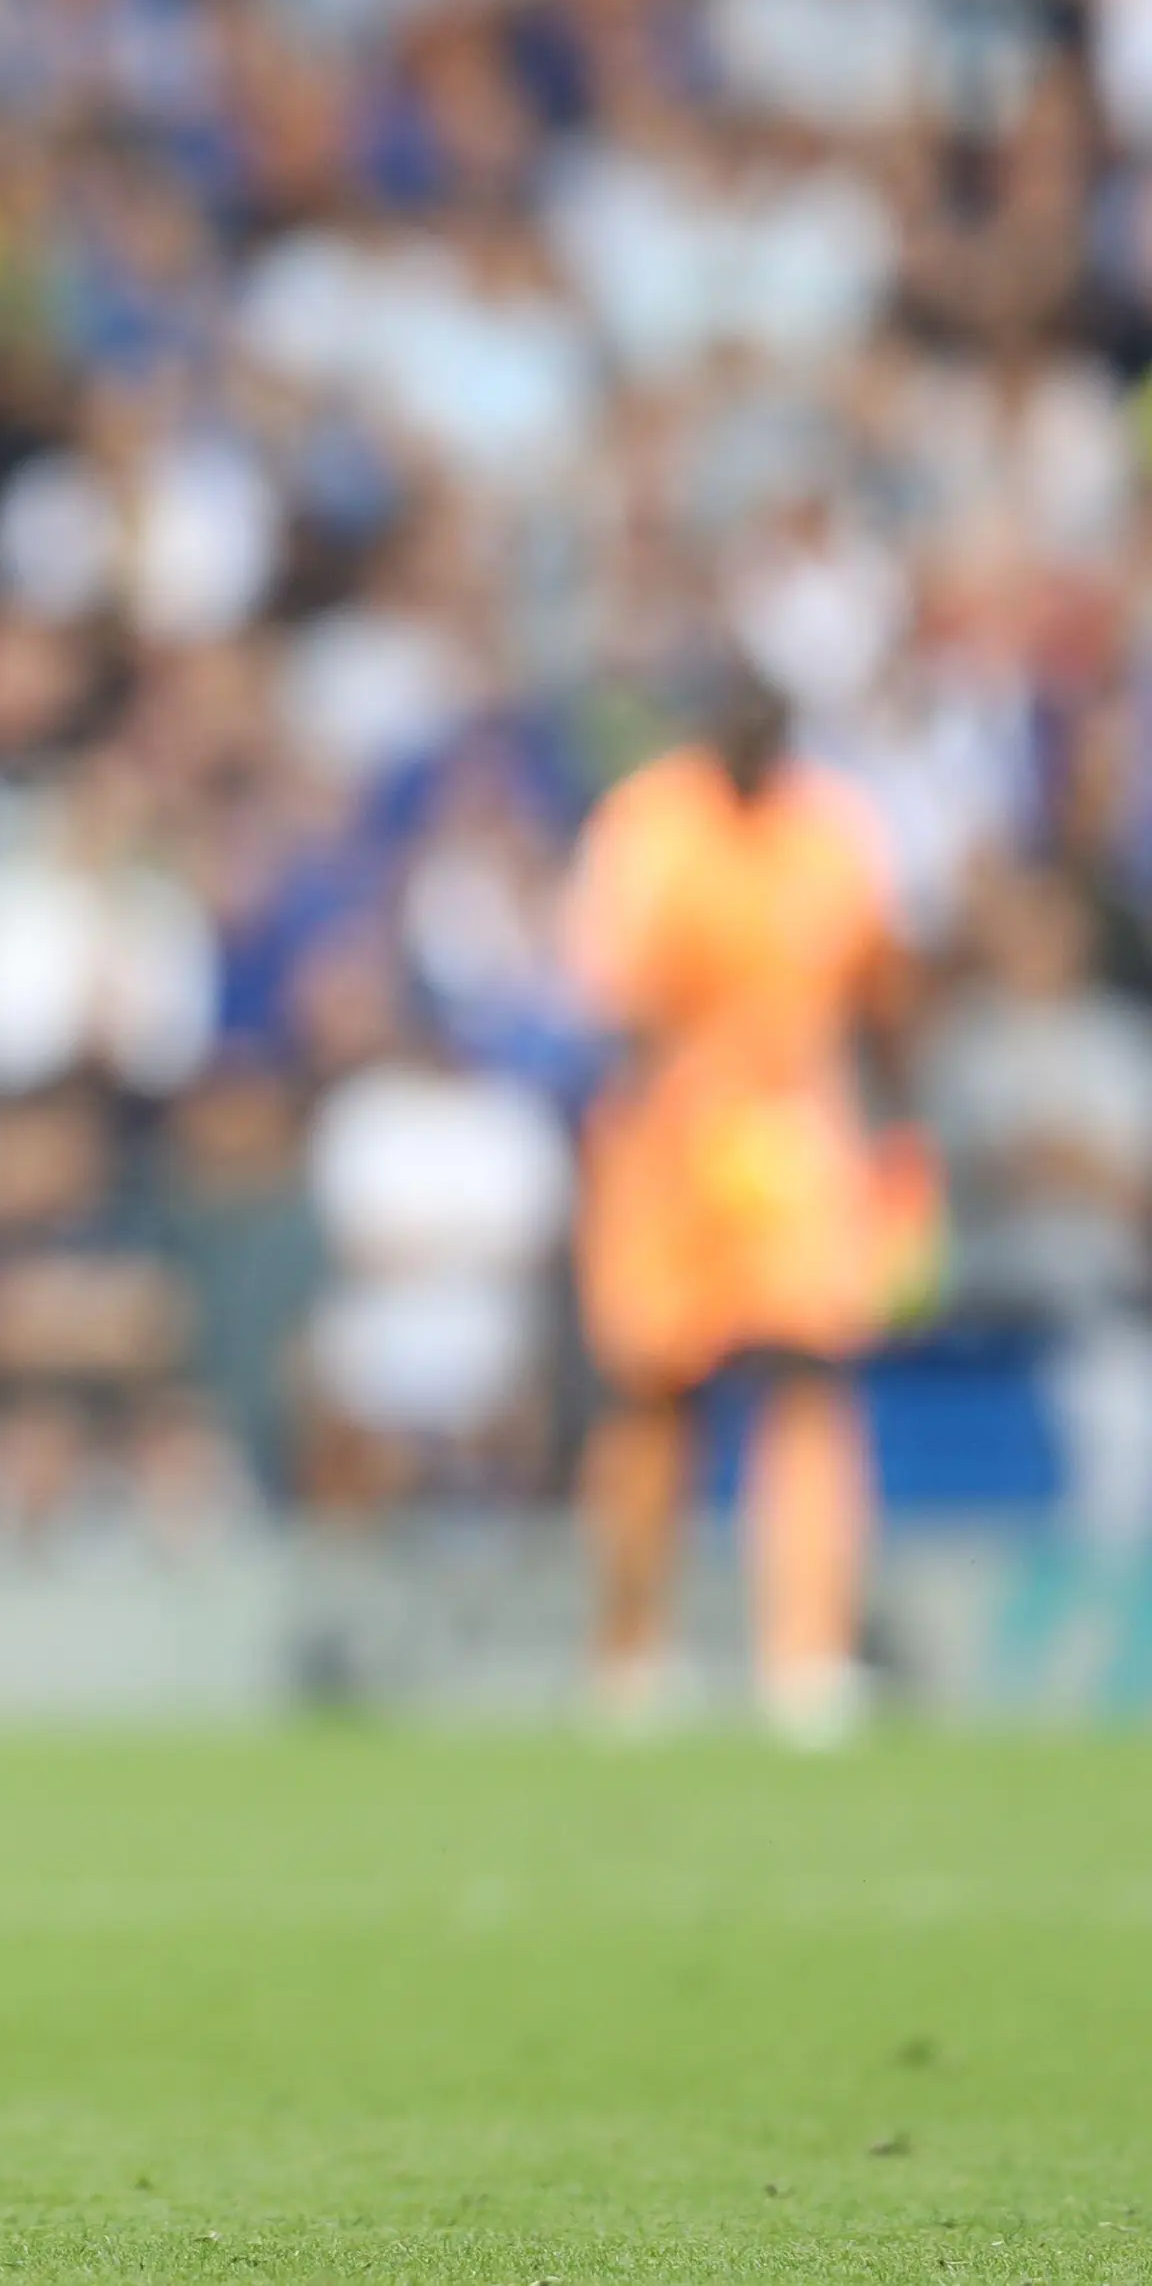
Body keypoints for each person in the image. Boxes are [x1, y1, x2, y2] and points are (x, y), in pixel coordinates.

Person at [562, 668, 920, 1745]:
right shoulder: (649, 828)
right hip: (671, 1133)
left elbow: (881, 995)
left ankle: (805, 1653)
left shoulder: (835, 829)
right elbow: (617, 1002)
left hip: (798, 1130)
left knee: (810, 1377)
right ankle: (632, 1652)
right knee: (653, 1392)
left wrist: (900, 1144)